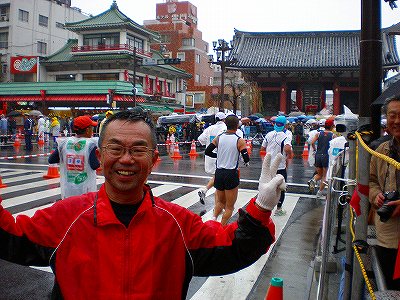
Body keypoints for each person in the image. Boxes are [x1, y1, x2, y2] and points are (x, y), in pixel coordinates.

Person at [0, 108, 286, 299]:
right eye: (116, 148)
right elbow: (9, 237)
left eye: (138, 149)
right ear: (100, 156)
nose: (126, 159)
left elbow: (233, 250)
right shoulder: (66, 218)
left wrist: (259, 209)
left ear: (153, 159)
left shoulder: (177, 224)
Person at [369, 96, 400, 290]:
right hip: (388, 235)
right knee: (388, 285)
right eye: (392, 115)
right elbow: (372, 181)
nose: (396, 121)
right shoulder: (382, 150)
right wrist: (376, 195)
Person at [205, 115, 249, 225]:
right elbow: (246, 158)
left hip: (219, 173)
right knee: (229, 207)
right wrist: (245, 161)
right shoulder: (239, 140)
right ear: (237, 126)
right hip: (231, 173)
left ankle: (213, 219)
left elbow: (208, 151)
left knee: (219, 202)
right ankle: (221, 228)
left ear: (226, 124)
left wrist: (218, 156)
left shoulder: (219, 137)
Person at [48, 115, 100, 199]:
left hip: (68, 189)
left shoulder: (65, 142)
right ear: (87, 130)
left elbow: (51, 160)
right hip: (85, 190)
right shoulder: (90, 144)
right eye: (92, 128)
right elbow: (95, 165)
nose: (92, 130)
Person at [260, 115, 294, 216]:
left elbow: (262, 148)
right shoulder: (286, 136)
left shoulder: (269, 134)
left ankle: (265, 208)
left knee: (267, 187)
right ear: (285, 125)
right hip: (280, 166)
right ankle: (278, 208)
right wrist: (290, 154)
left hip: (268, 166)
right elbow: (287, 148)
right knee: (281, 188)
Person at [197, 112, 227, 204]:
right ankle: (217, 205)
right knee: (221, 182)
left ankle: (205, 190)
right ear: (224, 120)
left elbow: (200, 139)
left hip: (210, 157)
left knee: (217, 177)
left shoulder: (209, 128)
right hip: (222, 157)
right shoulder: (225, 129)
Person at [310, 118, 336, 198]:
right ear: (332, 126)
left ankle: (313, 180)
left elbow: (312, 142)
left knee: (319, 174)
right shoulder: (333, 135)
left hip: (318, 155)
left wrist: (314, 149)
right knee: (325, 176)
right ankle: (319, 193)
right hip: (326, 156)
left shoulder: (318, 134)